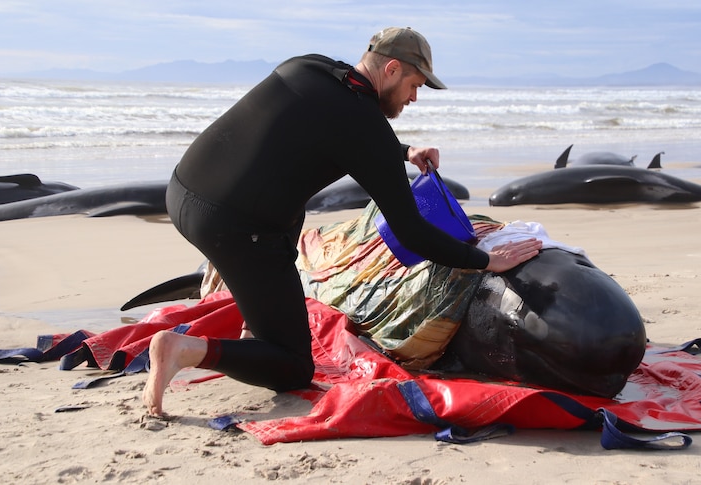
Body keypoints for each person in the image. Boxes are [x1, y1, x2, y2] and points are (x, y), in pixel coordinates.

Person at [143, 27, 543, 416]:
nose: (414, 98)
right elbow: (412, 233)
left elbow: (329, 129)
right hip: (232, 227)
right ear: (391, 71)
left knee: (287, 210)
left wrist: (401, 151)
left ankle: (254, 323)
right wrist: (487, 261)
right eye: (414, 85)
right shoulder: (366, 126)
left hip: (181, 191)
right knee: (293, 366)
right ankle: (184, 350)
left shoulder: (309, 67)